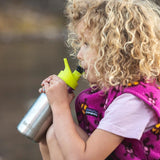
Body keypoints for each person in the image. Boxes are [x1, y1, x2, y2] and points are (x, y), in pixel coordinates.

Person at [39, 0, 160, 159]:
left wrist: (60, 106)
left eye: (87, 44)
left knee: (57, 133)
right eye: (80, 43)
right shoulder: (108, 94)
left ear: (114, 51)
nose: (79, 54)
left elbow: (83, 158)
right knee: (54, 134)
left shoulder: (132, 103)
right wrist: (52, 111)